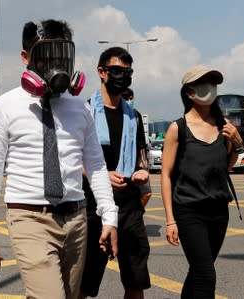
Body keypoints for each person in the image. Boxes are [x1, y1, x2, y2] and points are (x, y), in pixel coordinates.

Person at [0, 19, 118, 299]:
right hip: (30, 219)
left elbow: (97, 165)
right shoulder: (3, 108)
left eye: (62, 57)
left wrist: (109, 216)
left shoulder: (81, 108)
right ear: (25, 57)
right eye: (45, 57)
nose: (55, 66)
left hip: (77, 219)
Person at [161, 65, 243, 298]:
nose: (211, 88)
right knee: (207, 276)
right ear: (189, 92)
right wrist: (170, 221)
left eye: (213, 83)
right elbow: (165, 175)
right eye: (204, 83)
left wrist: (237, 143)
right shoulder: (177, 129)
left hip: (218, 212)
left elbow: (222, 168)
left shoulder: (224, 126)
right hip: (189, 211)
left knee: (198, 273)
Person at [80, 47, 151, 299]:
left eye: (128, 72)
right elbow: (72, 159)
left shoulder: (133, 117)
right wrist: (99, 175)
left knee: (135, 281)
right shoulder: (84, 112)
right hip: (93, 205)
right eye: (117, 71)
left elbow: (142, 155)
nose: (123, 76)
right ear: (102, 72)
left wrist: (142, 171)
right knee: (84, 284)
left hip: (129, 206)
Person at [122, 87, 152, 208]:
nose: (130, 101)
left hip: (136, 164)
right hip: (121, 166)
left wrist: (144, 166)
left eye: (131, 99)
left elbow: (141, 144)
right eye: (127, 99)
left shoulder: (136, 115)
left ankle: (137, 213)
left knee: (147, 192)